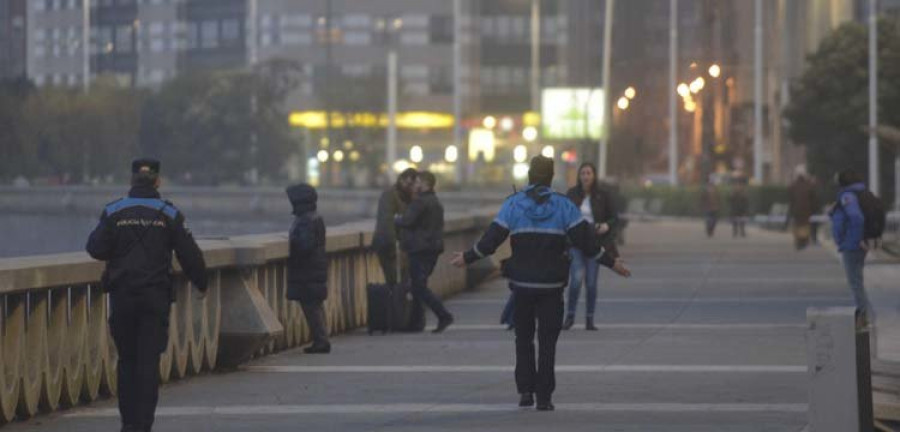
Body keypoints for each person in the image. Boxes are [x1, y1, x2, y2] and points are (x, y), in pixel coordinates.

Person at [451, 156, 631, 411]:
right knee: (547, 343)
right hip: (552, 286)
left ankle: (526, 391)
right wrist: (613, 263)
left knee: (523, 339)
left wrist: (467, 257)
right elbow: (587, 244)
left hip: (522, 286)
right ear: (550, 177)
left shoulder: (513, 204)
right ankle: (544, 397)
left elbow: (491, 240)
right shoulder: (565, 206)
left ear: (529, 175)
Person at [86, 159, 207, 432]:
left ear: (131, 181)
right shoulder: (169, 214)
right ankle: (143, 424)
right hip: (155, 297)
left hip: (122, 296)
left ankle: (128, 423)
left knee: (127, 360)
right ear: (157, 181)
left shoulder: (114, 211)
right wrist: (202, 283)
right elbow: (190, 255)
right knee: (148, 362)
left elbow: (95, 248)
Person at [395, 171, 454, 333]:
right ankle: (416, 323)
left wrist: (396, 218)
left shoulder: (420, 202)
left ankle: (443, 315)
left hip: (420, 248)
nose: (415, 185)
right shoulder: (435, 201)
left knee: (419, 287)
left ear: (425, 183)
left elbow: (406, 221)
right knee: (418, 286)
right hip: (432, 248)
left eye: (418, 182)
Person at [563, 162, 619, 331]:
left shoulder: (603, 195)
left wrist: (606, 226)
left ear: (594, 176)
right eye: (583, 173)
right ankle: (570, 316)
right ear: (579, 176)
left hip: (594, 243)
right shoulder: (571, 194)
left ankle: (589, 319)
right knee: (576, 279)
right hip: (575, 244)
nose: (586, 176)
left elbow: (614, 217)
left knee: (592, 283)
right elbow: (564, 217)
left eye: (588, 173)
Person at [286, 183, 330, 354]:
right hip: (315, 269)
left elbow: (305, 246)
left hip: (307, 271)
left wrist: (293, 242)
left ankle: (321, 342)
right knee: (315, 306)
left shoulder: (305, 220)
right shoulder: (315, 217)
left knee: (311, 307)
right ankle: (321, 340)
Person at [829, 169, 872, 326]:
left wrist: (852, 240)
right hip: (854, 244)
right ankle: (863, 314)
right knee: (856, 280)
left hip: (852, 246)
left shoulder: (848, 197)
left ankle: (863, 315)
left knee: (855, 282)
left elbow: (856, 218)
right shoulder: (854, 194)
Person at [372, 168, 417, 286]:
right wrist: (391, 248)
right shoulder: (390, 196)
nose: (411, 187)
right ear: (401, 180)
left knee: (404, 282)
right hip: (390, 246)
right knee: (394, 281)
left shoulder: (412, 198)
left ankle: (400, 302)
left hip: (404, 247)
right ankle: (396, 303)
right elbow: (386, 224)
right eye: (409, 183)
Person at [787, 166, 819, 250]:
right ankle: (804, 241)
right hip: (807, 210)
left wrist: (791, 210)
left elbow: (791, 199)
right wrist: (814, 209)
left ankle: (798, 241)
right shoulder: (809, 185)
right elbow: (814, 198)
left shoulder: (793, 185)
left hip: (796, 210)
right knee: (805, 226)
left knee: (798, 225)